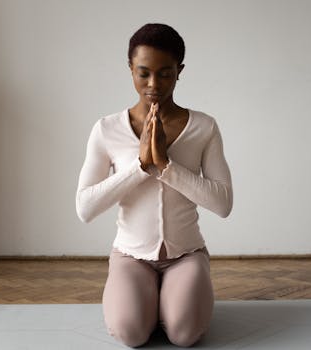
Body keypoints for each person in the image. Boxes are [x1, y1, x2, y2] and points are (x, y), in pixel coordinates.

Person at [75, 23, 233, 348]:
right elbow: (85, 208)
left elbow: (223, 203)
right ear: (130, 69)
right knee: (130, 334)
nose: (153, 84)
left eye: (165, 73)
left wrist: (166, 166)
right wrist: (141, 167)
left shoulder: (203, 127)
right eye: (143, 72)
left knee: (184, 335)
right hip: (131, 255)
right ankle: (151, 303)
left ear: (180, 71)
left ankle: (172, 301)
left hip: (185, 255)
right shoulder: (106, 129)